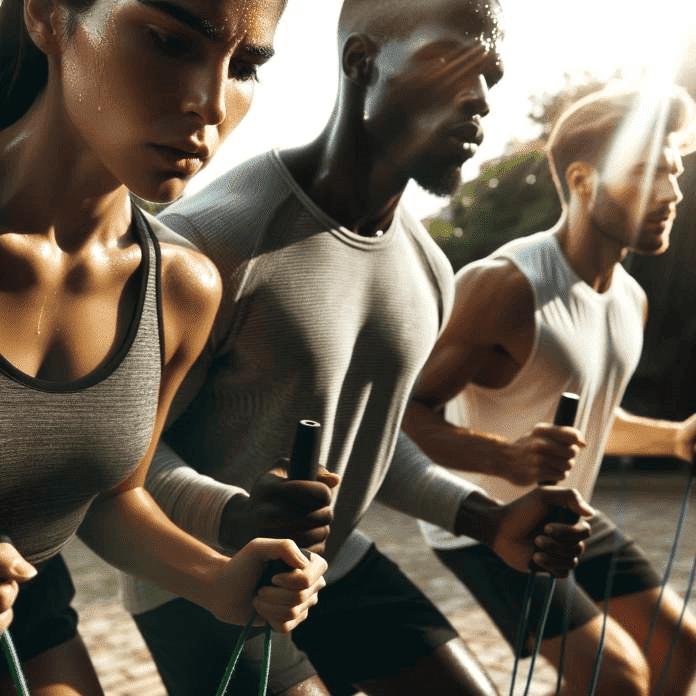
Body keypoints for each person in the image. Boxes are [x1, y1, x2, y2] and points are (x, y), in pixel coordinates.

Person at [119, 1, 594, 695]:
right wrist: (235, 514)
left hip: (332, 566)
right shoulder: (212, 241)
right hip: (197, 573)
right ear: (361, 62)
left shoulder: (430, 271)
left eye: (490, 75)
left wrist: (489, 522)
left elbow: (368, 441)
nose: (480, 100)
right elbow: (123, 452)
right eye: (447, 62)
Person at [0, 0, 329, 692]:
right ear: (48, 18)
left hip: (26, 620)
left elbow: (113, 496)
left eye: (243, 67)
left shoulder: (181, 290)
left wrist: (218, 580)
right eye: (168, 42)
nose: (210, 106)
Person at [403, 83, 696, 696]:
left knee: (679, 653)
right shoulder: (506, 287)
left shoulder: (628, 300)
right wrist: (504, 459)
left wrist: (673, 440)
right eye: (647, 174)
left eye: (674, 171)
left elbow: (587, 422)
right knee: (618, 679)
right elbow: (409, 416)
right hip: (490, 522)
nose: (672, 192)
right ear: (585, 180)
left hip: (567, 515)